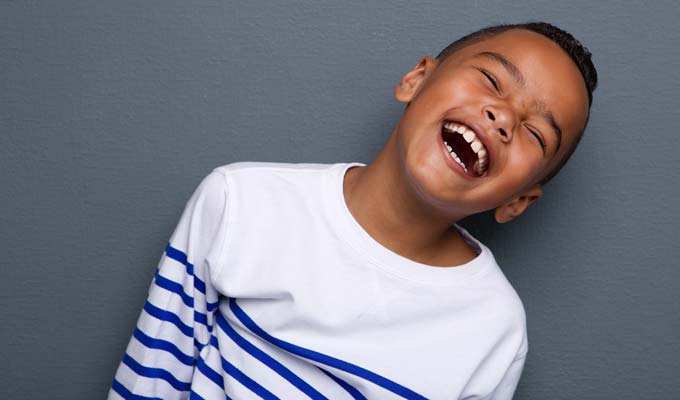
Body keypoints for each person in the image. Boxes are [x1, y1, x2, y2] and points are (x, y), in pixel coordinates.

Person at [108, 21, 597, 400]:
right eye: (491, 79)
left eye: (535, 134)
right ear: (417, 79)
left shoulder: (495, 328)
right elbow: (149, 381)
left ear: (518, 201)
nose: (503, 117)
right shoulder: (241, 202)